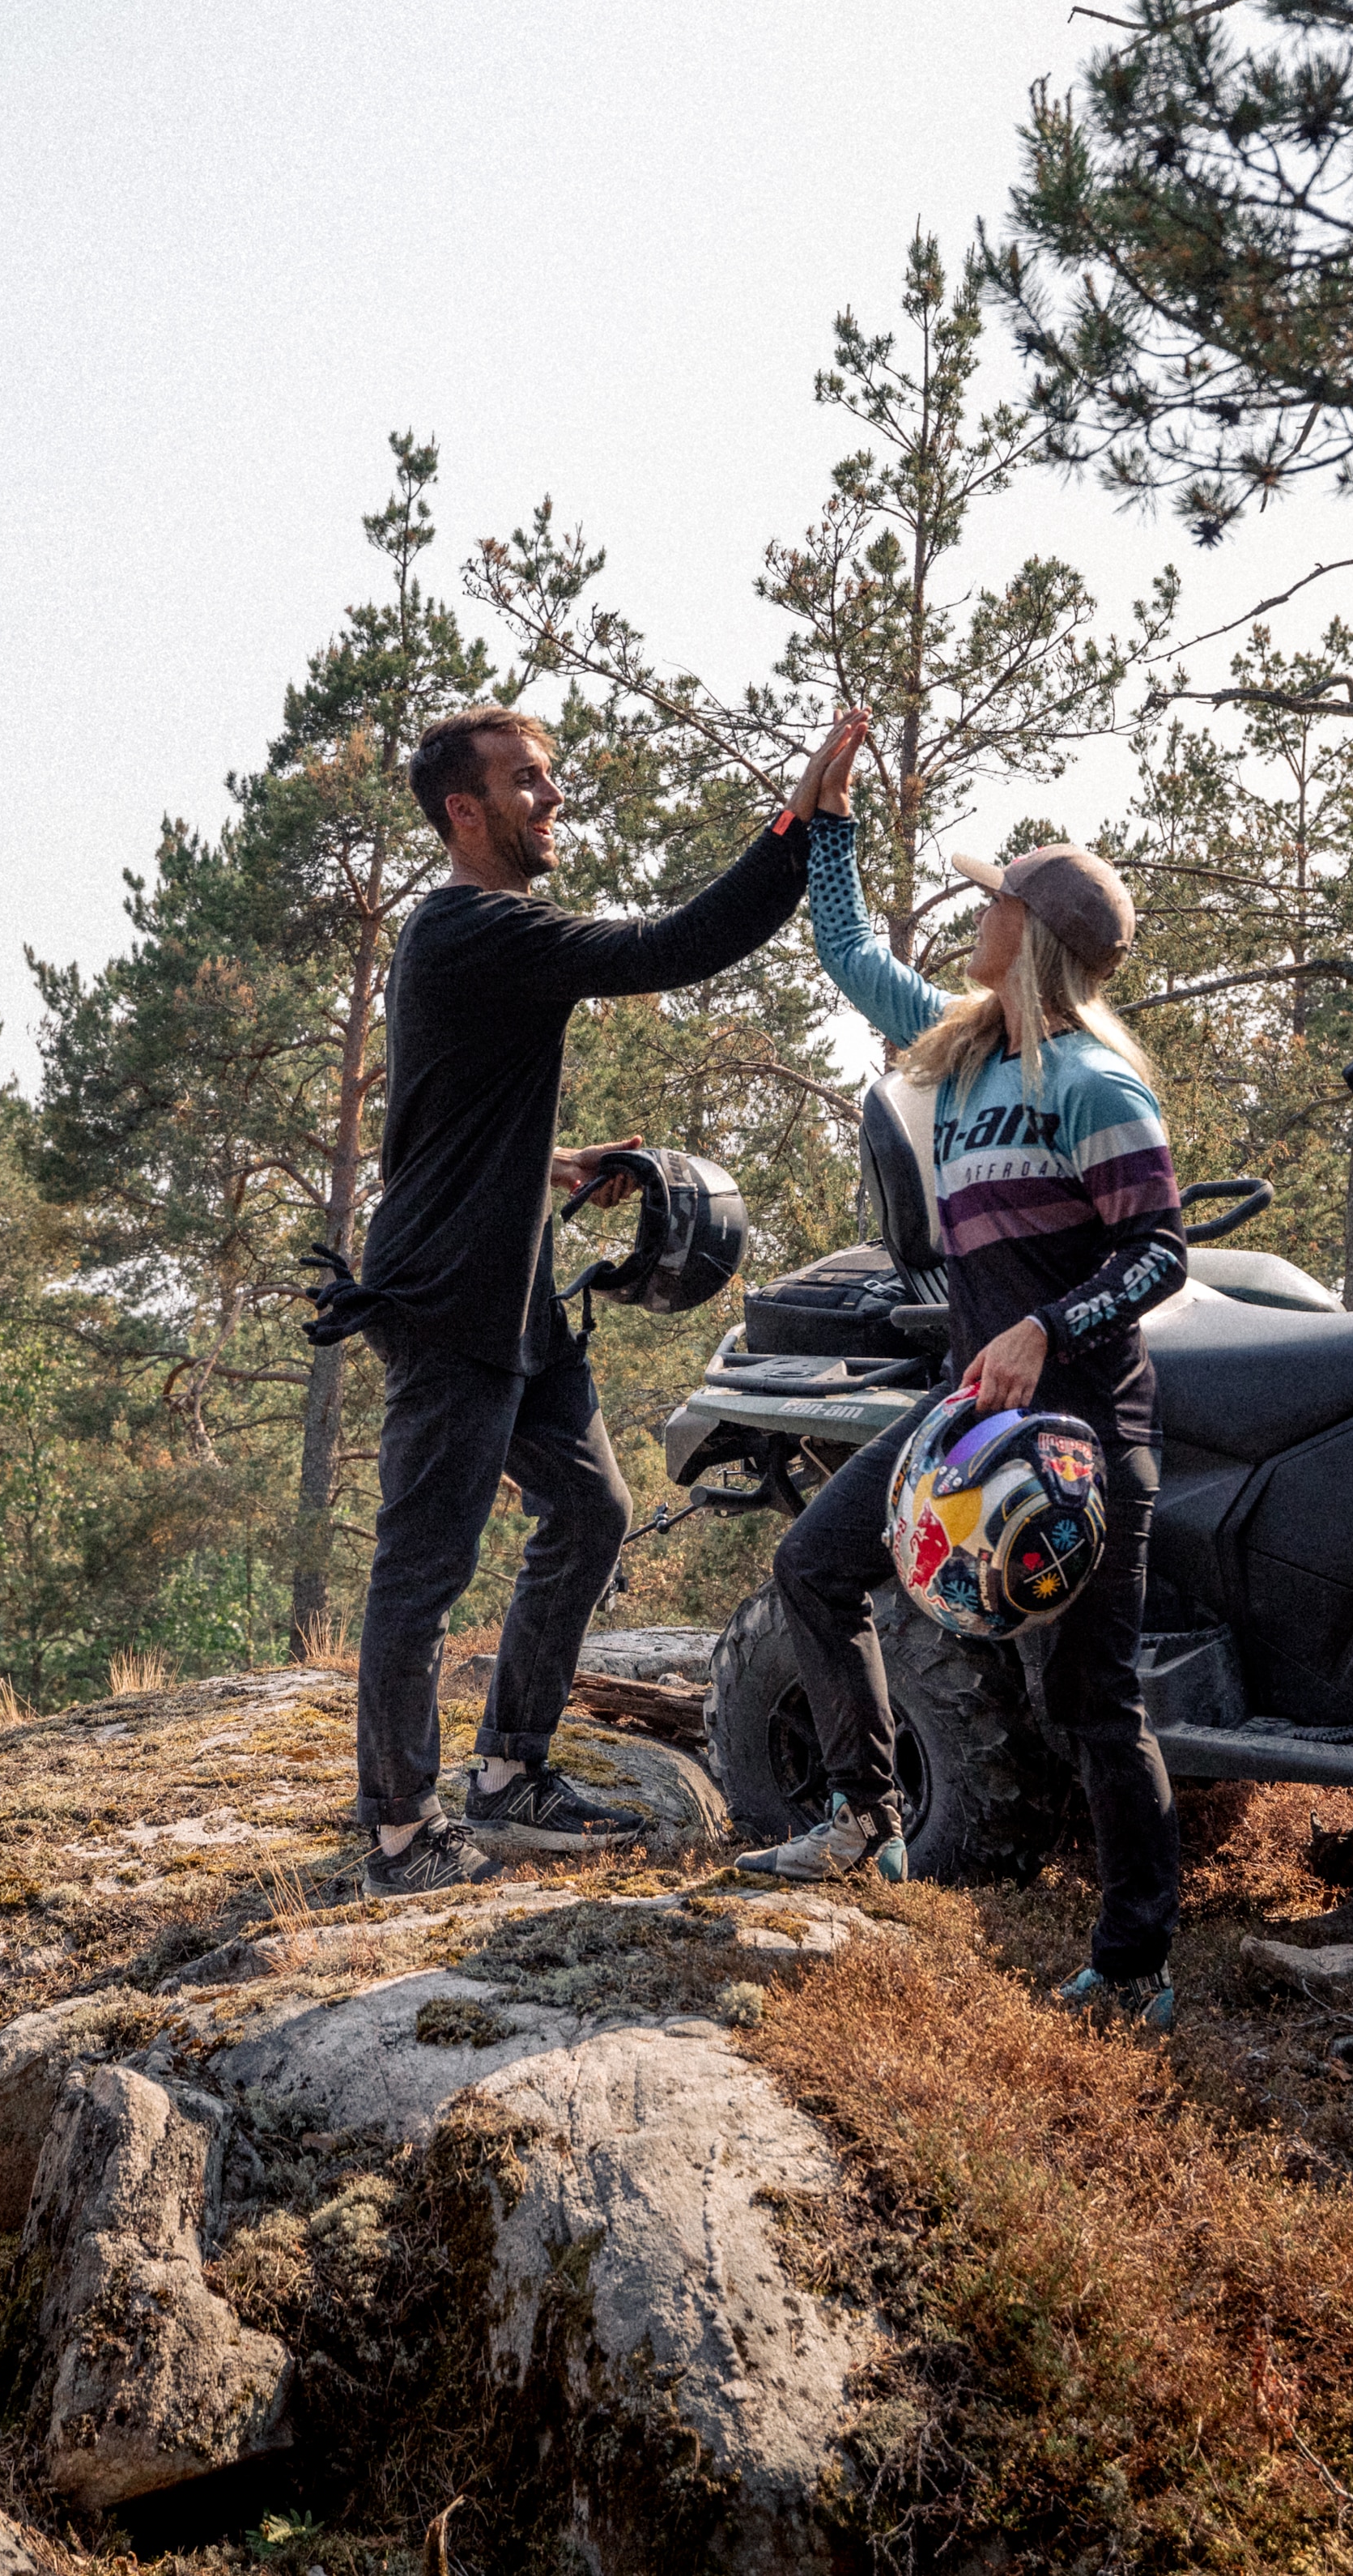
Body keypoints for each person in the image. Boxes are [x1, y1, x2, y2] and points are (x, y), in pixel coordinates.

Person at [314, 702, 874, 1898]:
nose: (552, 798)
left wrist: (549, 1163)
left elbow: (443, 1105)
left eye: (550, 778)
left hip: (511, 1286)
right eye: (527, 782)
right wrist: (796, 827)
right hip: (447, 1297)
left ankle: (509, 1773)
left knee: (592, 1509)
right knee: (422, 1570)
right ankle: (400, 1835)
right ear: (464, 812)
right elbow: (670, 945)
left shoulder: (478, 939)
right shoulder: (475, 926)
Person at [734, 763, 1193, 2027]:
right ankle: (866, 1815)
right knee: (816, 1569)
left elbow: (1161, 1253)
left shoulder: (1096, 1083)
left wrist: (1048, 1326)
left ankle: (1137, 1966)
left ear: (1032, 937)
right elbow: (841, 946)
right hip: (968, 1421)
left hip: (1084, 1441)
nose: (975, 915)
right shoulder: (964, 1044)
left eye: (995, 904)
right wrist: (823, 820)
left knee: (1092, 1704)